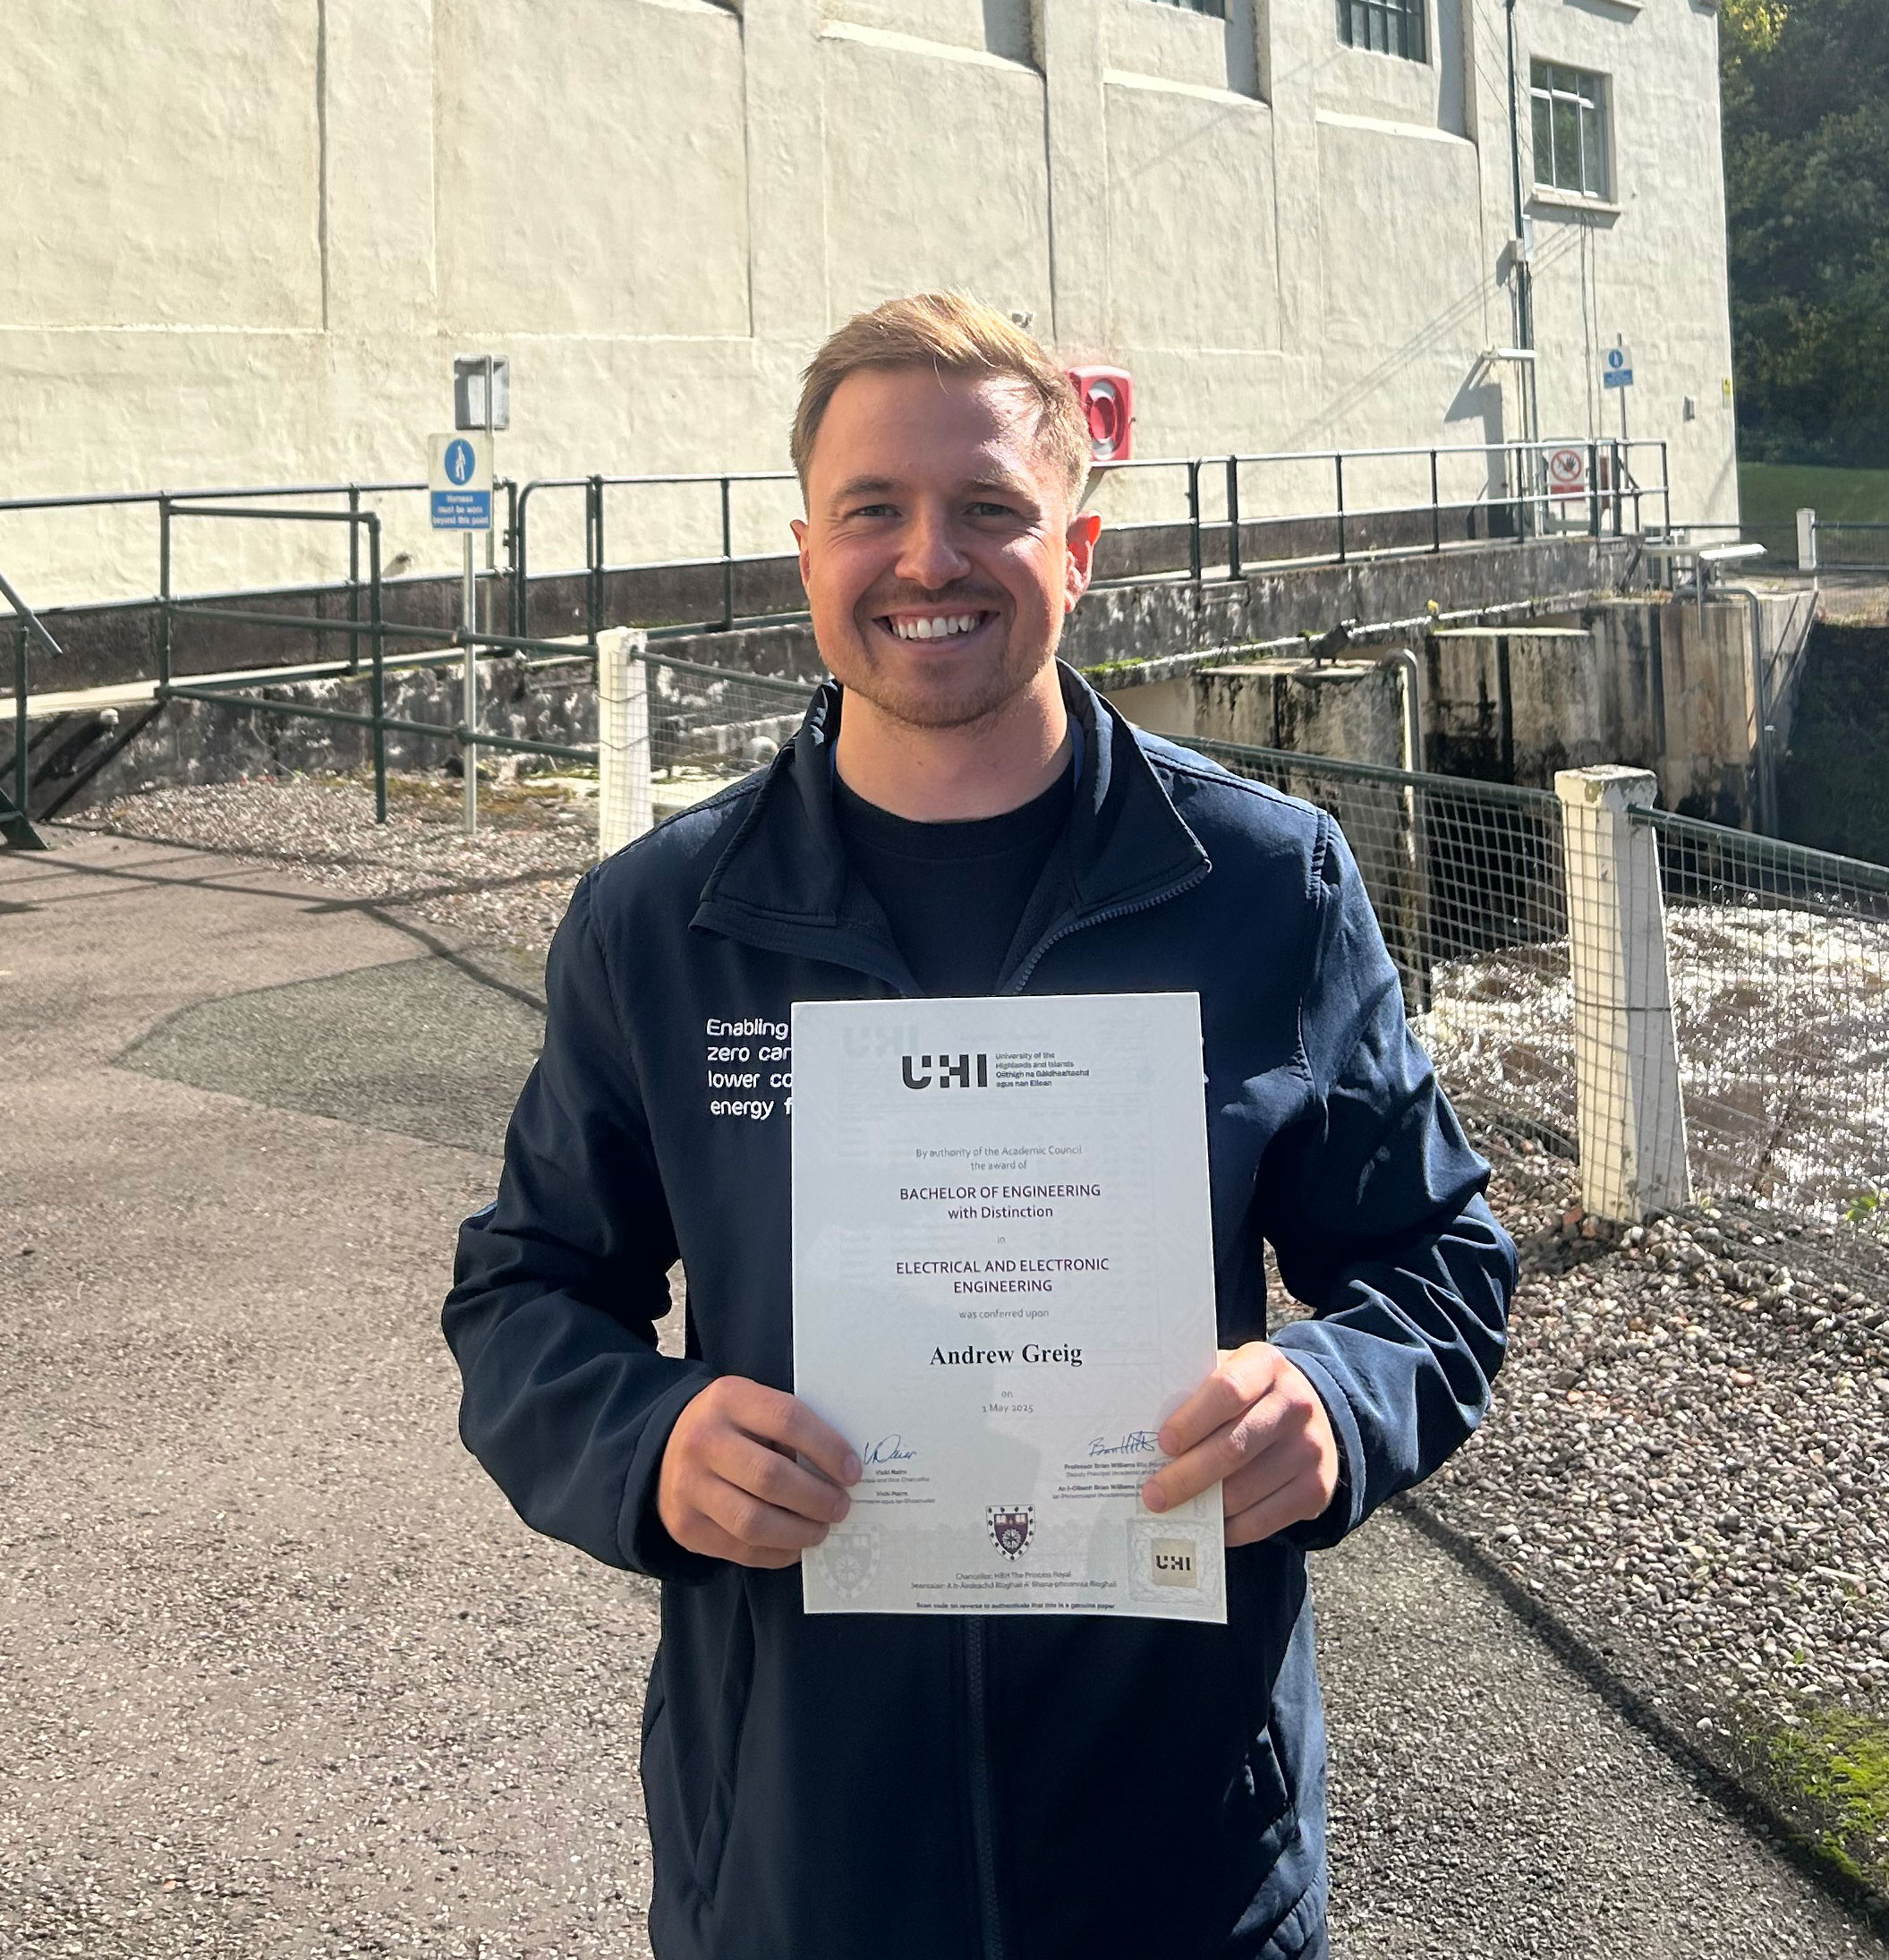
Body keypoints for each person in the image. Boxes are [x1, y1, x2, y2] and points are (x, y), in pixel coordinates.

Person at [443, 292, 1516, 1960]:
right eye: (874, 509)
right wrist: (649, 1441)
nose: (927, 558)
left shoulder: (1261, 883)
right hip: (801, 1848)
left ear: (1076, 548)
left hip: (1178, 1847)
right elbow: (522, 1294)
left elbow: (1434, 1253)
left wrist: (1334, 1394)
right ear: (805, 549)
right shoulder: (663, 922)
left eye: (989, 511)